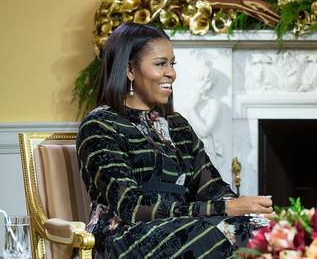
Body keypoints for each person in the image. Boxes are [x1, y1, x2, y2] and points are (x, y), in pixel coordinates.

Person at [77, 22, 273, 258]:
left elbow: (210, 186)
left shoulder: (176, 124)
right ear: (130, 69)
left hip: (182, 226)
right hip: (123, 237)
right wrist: (226, 209)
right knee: (220, 232)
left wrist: (243, 209)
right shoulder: (99, 125)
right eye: (161, 64)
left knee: (261, 228)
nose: (171, 73)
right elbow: (131, 205)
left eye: (172, 64)